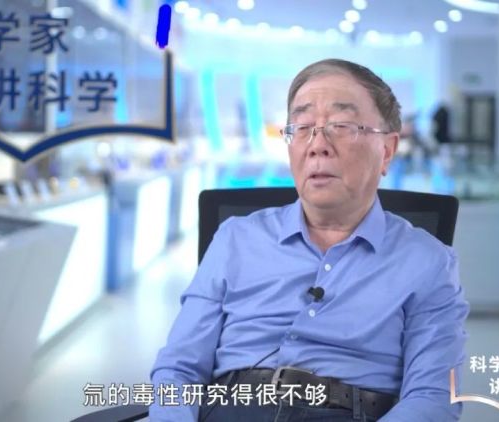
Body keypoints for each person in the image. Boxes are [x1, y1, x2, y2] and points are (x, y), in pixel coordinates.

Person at [149, 58, 469, 421]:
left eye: (341, 126)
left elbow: (433, 397)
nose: (317, 145)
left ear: (387, 150)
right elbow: (178, 370)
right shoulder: (235, 238)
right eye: (302, 127)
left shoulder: (428, 262)